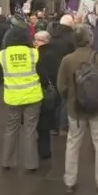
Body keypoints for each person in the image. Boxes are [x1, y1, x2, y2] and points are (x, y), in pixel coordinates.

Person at [57, 25, 98, 195]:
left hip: (75, 110)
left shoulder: (67, 60)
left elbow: (61, 86)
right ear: (90, 39)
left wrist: (70, 98)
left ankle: (70, 181)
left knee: (73, 144)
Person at [0, 23, 43, 171]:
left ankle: (7, 161)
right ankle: (31, 164)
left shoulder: (2, 55)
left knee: (11, 129)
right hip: (33, 95)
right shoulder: (33, 53)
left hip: (13, 96)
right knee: (30, 130)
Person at [34, 30, 59, 160]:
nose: (34, 42)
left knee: (38, 123)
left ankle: (39, 150)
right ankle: (45, 151)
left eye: (36, 40)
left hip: (38, 90)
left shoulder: (36, 55)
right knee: (46, 123)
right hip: (50, 92)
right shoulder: (53, 54)